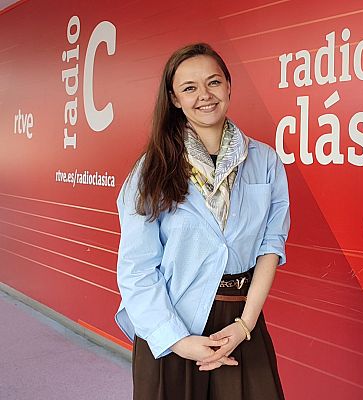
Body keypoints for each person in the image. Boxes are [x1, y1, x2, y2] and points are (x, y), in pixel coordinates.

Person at [114, 43, 289, 400]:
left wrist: (245, 325)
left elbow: (270, 248)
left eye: (213, 82)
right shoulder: (151, 170)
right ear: (174, 99)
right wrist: (178, 341)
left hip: (240, 321)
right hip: (171, 323)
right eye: (189, 88)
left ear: (229, 86)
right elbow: (137, 270)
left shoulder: (266, 161)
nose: (204, 96)